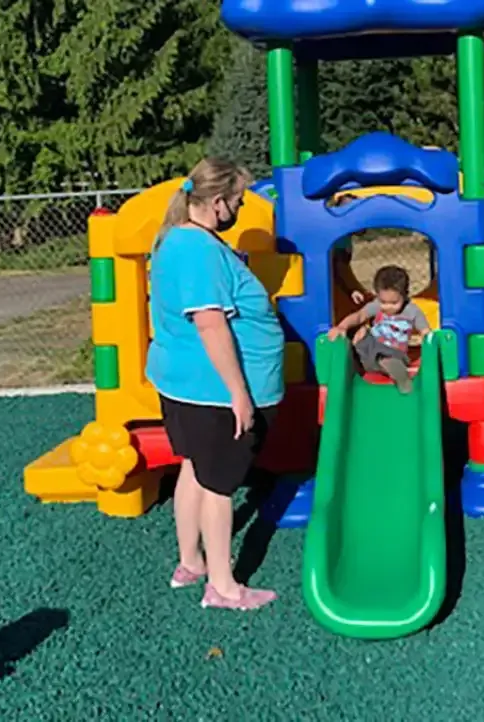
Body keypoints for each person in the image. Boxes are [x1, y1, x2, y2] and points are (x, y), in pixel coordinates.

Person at [147, 158, 284, 610]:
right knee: (219, 487)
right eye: (239, 201)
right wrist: (239, 394)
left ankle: (191, 562)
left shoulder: (177, 239)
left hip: (187, 385)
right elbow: (210, 325)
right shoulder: (197, 250)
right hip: (211, 392)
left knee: (196, 469)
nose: (241, 209)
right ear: (219, 202)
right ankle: (224, 586)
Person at [326, 265, 431, 393]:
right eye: (383, 302)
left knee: (390, 359)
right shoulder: (377, 305)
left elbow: (425, 332)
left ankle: (397, 372)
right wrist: (342, 326)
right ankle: (353, 363)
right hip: (373, 344)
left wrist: (429, 343)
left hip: (393, 351)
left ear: (405, 295)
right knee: (360, 335)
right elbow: (360, 316)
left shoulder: (412, 311)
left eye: (394, 303)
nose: (387, 307)